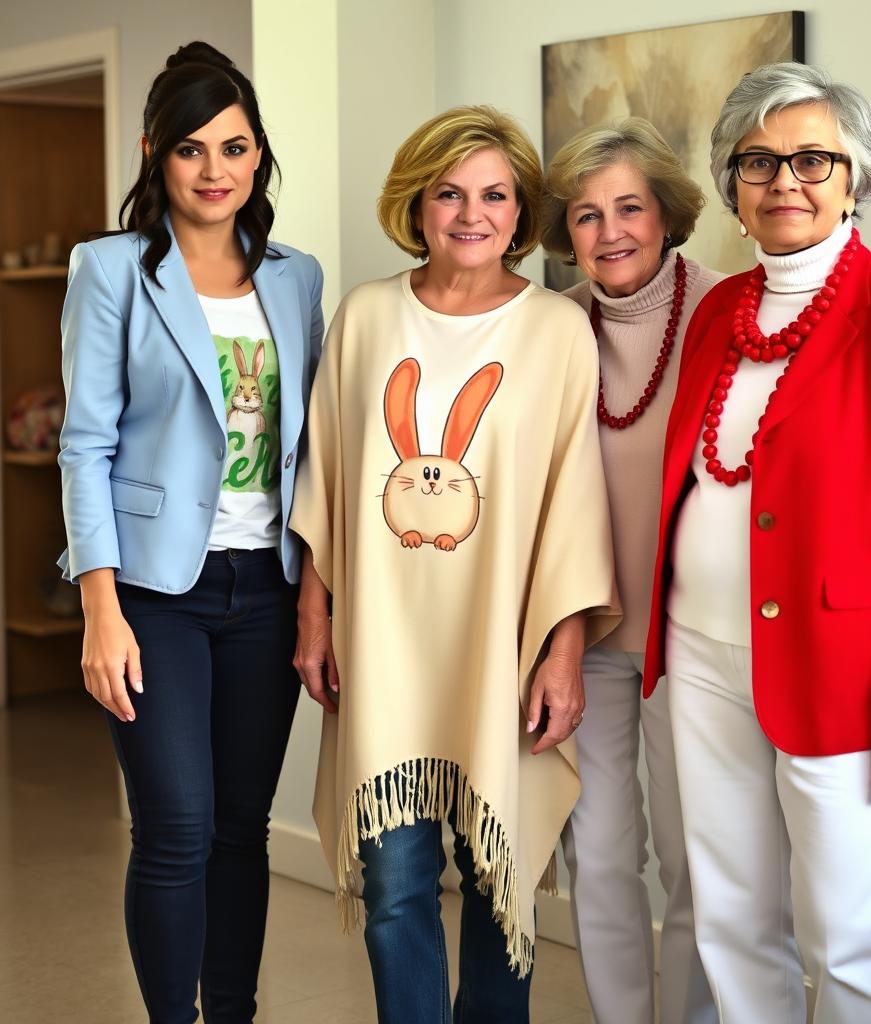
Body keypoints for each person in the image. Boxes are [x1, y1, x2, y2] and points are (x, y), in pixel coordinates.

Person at [643, 62, 871, 1022]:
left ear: (853, 177)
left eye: (812, 159)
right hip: (702, 658)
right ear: (734, 190)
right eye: (759, 162)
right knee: (733, 918)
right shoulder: (718, 312)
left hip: (845, 672)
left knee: (844, 931)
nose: (786, 180)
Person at [289, 105, 620, 1024]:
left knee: (492, 881)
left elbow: (573, 504)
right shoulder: (364, 316)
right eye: (450, 193)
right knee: (396, 886)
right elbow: (329, 480)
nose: (472, 214)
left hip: (499, 652)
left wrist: (561, 653)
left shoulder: (557, 331)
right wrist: (315, 620)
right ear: (418, 203)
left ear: (520, 212)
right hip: (381, 646)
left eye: (495, 195)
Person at [58, 42, 324, 1024]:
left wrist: (317, 599)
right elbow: (83, 445)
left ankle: (233, 1014)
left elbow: (310, 452)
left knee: (240, 831)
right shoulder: (114, 269)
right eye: (191, 149)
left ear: (258, 156)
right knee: (175, 826)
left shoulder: (296, 279)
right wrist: (100, 608)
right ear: (153, 155)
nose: (215, 170)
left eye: (235, 147)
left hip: (267, 588)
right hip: (153, 597)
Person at [541, 118, 718, 1024]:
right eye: (585, 214)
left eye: (629, 208)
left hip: (696, 644)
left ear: (667, 214)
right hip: (587, 638)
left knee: (697, 856)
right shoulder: (548, 326)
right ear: (563, 231)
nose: (610, 232)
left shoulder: (725, 313)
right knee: (601, 853)